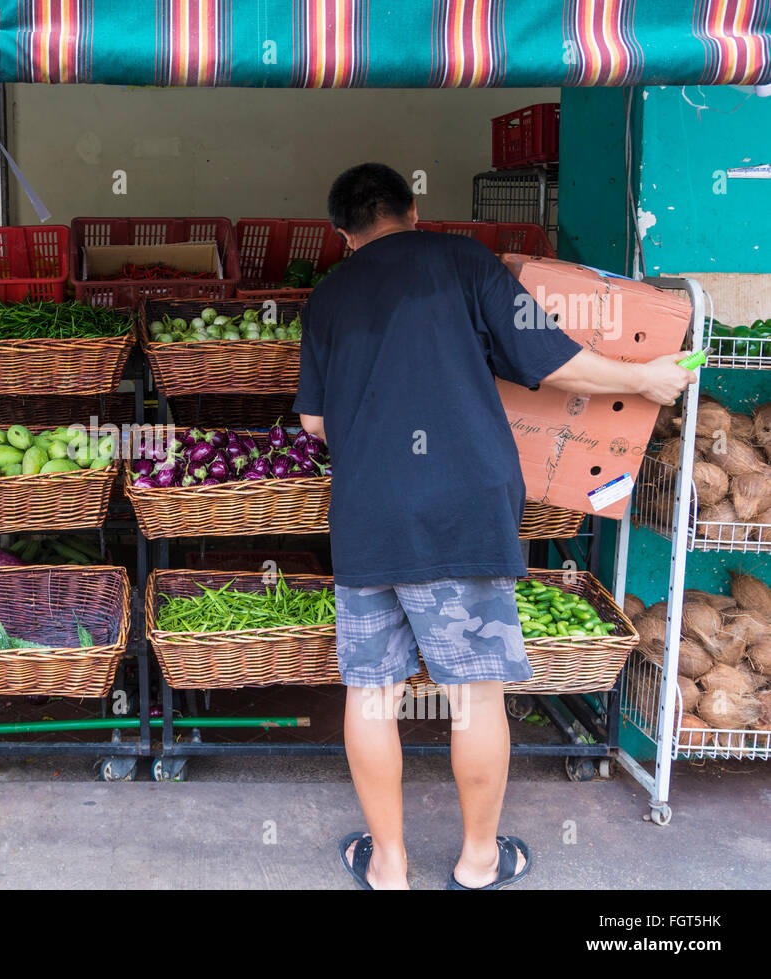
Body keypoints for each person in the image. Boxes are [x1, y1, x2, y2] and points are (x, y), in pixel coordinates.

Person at [294, 163, 695, 890]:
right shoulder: (462, 259)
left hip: (369, 514)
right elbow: (552, 359)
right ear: (414, 208)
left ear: (341, 234)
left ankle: (388, 864)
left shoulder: (327, 297)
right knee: (475, 690)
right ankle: (478, 861)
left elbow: (314, 422)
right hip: (462, 508)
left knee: (371, 693)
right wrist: (643, 379)